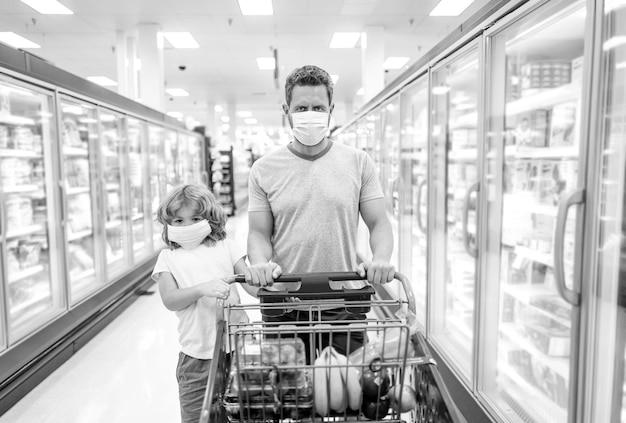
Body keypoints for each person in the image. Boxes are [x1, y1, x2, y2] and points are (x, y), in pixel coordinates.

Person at [244, 64, 395, 358]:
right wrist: (260, 262)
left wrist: (381, 259)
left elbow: (379, 223)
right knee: (288, 397)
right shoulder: (264, 169)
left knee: (347, 399)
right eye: (301, 107)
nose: (309, 114)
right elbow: (258, 233)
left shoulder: (358, 163)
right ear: (286, 110)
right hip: (284, 305)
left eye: (317, 107)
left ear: (331, 109)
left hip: (344, 305)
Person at [151, 183, 255, 423]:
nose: (186, 226)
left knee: (244, 413)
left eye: (195, 218)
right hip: (197, 356)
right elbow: (170, 300)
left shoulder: (226, 247)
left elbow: (250, 284)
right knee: (198, 416)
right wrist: (201, 289)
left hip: (239, 349)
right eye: (178, 221)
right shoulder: (168, 258)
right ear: (168, 224)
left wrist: (270, 281)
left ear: (210, 218)